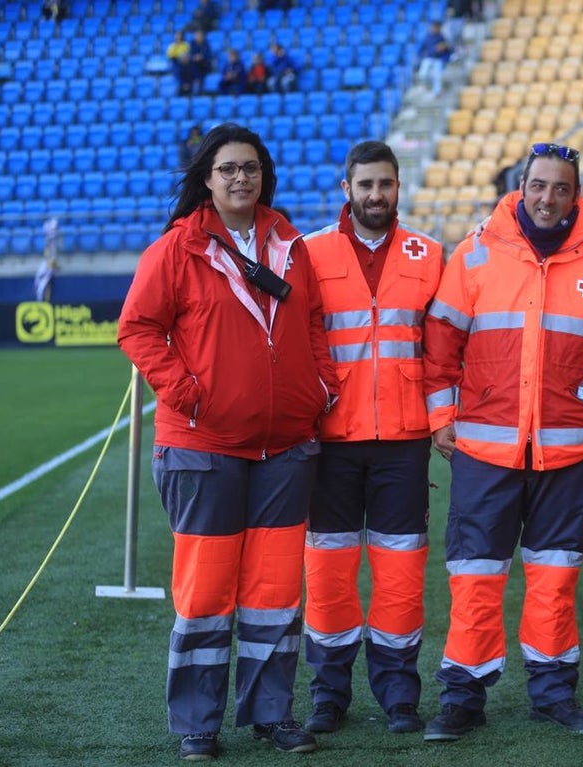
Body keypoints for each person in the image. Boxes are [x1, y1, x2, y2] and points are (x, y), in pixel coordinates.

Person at [117, 123, 338, 761]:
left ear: (263, 174)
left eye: (250, 167)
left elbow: (316, 323)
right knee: (207, 596)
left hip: (287, 447)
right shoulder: (176, 248)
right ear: (207, 179)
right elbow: (137, 329)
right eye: (228, 169)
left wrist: (320, 387)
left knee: (273, 595)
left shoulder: (291, 244)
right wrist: (186, 394)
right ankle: (198, 724)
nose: (241, 178)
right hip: (203, 447)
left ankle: (272, 714)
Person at [420, 142, 583, 742]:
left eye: (561, 188)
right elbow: (440, 343)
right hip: (485, 451)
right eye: (539, 185)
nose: (548, 198)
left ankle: (551, 691)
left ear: (576, 194)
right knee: (474, 576)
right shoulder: (475, 254)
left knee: (555, 578)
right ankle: (463, 694)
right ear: (521, 187)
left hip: (569, 454)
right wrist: (442, 418)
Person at [301, 141, 444, 737]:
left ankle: (397, 693)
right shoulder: (307, 253)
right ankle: (328, 695)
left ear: (398, 188)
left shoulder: (430, 254)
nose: (376, 195)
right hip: (331, 442)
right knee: (329, 575)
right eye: (365, 185)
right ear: (346, 188)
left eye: (385, 184)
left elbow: (443, 349)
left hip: (404, 442)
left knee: (401, 573)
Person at [416, 20, 454, 97]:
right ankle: (427, 86)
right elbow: (421, 49)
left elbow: (449, 49)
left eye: (436, 27)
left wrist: (444, 47)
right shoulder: (427, 37)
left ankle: (437, 93)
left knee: (437, 77)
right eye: (433, 27)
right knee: (422, 74)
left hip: (438, 59)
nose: (434, 29)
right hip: (428, 58)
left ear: (439, 28)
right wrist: (423, 55)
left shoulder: (442, 37)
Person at [166, 30, 194, 96]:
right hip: (176, 62)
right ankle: (182, 86)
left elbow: (187, 54)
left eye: (179, 35)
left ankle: (188, 87)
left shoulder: (186, 45)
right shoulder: (172, 46)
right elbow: (170, 55)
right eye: (176, 35)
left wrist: (182, 57)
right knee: (178, 70)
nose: (178, 37)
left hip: (185, 62)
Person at [187, 28, 213, 95]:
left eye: (200, 36)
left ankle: (198, 89)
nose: (198, 37)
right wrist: (194, 57)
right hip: (194, 65)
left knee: (199, 71)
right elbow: (190, 54)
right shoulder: (192, 44)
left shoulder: (206, 44)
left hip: (204, 65)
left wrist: (201, 57)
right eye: (197, 35)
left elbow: (208, 55)